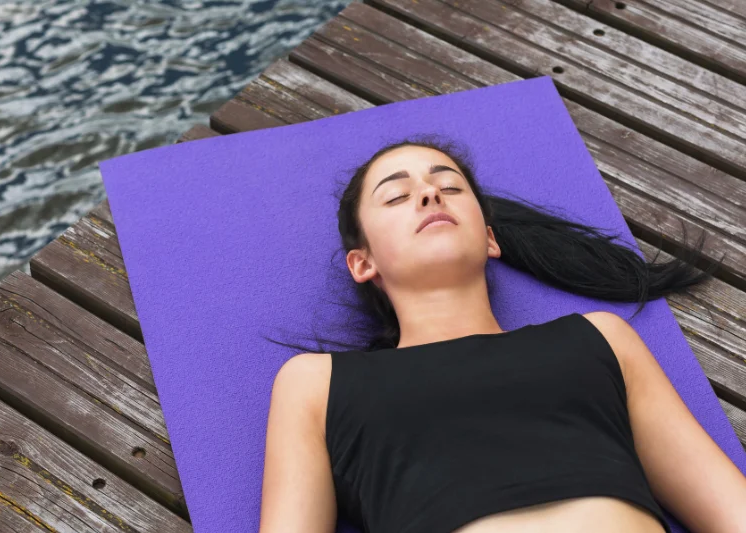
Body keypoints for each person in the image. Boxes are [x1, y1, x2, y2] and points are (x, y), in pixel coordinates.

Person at [257, 134, 746, 533]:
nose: (429, 194)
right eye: (398, 195)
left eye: (449, 188)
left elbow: (730, 509)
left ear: (490, 238)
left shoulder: (600, 339)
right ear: (363, 263)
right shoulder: (317, 384)